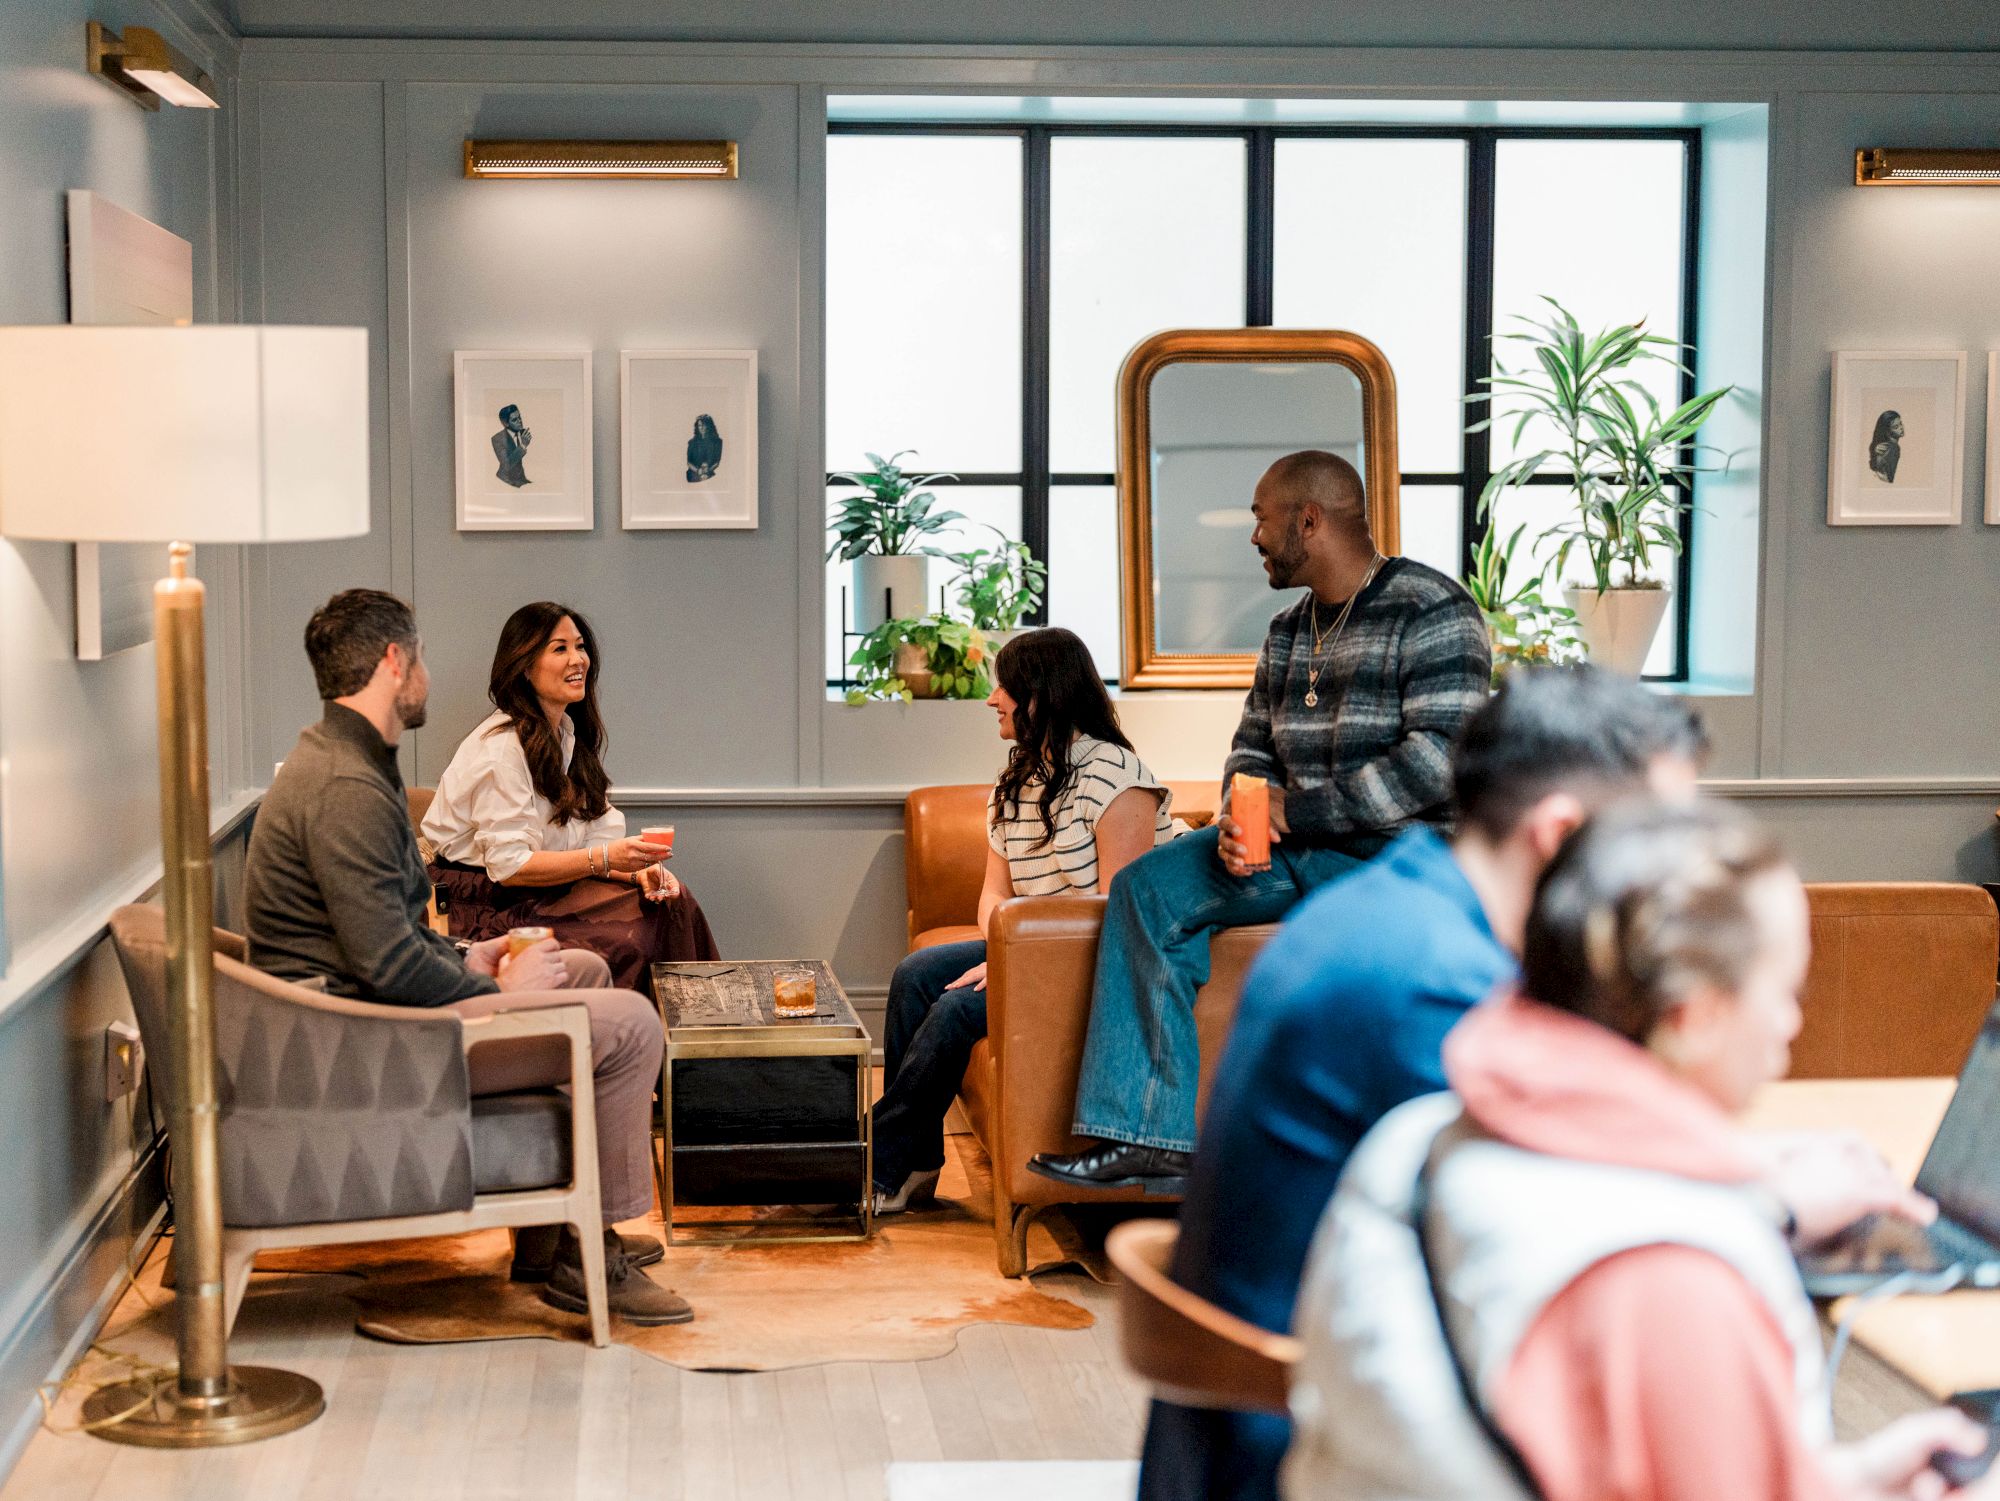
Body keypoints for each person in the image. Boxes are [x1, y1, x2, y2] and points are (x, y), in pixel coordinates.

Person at [1286, 800, 1983, 1501]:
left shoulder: (1418, 1138)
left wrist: (1846, 1481)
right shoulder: (1674, 1280)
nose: (1791, 1024)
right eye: (1784, 991)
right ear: (1697, 1015)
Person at [1138, 666, 1709, 1501]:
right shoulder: (1436, 983)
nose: (1680, 880)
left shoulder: (1400, 907)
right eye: (1661, 845)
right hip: (1307, 1454)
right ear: (1559, 833)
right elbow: (1579, 1231)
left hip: (1268, 1422)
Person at [1030, 450, 1490, 1194]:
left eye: (1260, 517)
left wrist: (1293, 809)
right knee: (1148, 890)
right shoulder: (1285, 630)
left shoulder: (1432, 610)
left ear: (1309, 520)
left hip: (1396, 857)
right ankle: (1150, 1139)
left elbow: (1440, 759)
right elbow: (1252, 746)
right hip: (1292, 846)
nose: (1253, 535)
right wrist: (1245, 816)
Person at [246, 588, 691, 1327]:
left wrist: (474, 957)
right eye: (418, 656)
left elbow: (387, 934)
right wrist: (481, 979)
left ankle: (547, 1237)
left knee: (578, 967)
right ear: (394, 662)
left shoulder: (352, 761)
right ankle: (593, 1253)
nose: (426, 672)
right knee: (632, 1024)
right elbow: (387, 967)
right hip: (365, 1043)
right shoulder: (345, 787)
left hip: (375, 1008)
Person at [870, 627, 1175, 1213]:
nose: (991, 700)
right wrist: (1002, 952)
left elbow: (1119, 912)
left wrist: (1014, 963)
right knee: (916, 975)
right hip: (1033, 944)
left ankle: (882, 1160)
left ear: (1040, 695)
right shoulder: (1017, 776)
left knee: (958, 1008)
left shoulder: (1119, 776)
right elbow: (994, 895)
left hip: (1099, 956)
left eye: (1003, 687)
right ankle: (917, 1165)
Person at [422, 601, 720, 991]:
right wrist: (607, 859)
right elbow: (509, 867)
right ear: (525, 666)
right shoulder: (501, 748)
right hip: (482, 902)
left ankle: (693, 1043)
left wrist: (636, 870)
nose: (578, 659)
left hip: (541, 893)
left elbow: (594, 841)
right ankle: (619, 1043)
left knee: (672, 901)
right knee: (628, 940)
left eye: (580, 647)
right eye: (559, 648)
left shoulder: (565, 734)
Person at [493, 404, 530, 487]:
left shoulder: (524, 433)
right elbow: (506, 464)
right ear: (505, 423)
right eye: (514, 420)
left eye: (519, 417)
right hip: (506, 481)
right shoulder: (497, 439)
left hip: (522, 479)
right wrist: (523, 445)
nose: (520, 421)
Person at [1869, 409, 1904, 484]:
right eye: (1896, 427)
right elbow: (1887, 476)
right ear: (1888, 432)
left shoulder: (1885, 446)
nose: (1901, 428)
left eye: (1901, 424)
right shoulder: (1892, 448)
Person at [685, 413, 722, 483]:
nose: (701, 427)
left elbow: (717, 461)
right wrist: (698, 471)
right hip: (693, 474)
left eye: (704, 425)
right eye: (699, 425)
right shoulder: (692, 442)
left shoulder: (717, 442)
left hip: (710, 473)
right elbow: (689, 462)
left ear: (709, 426)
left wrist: (708, 470)